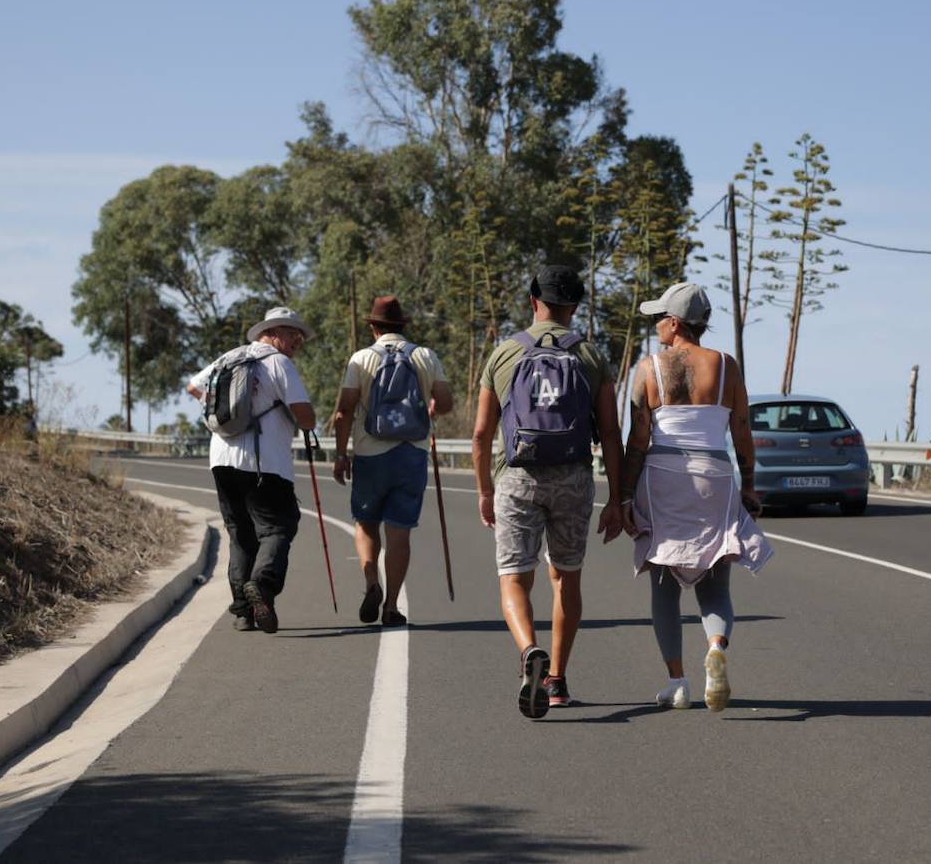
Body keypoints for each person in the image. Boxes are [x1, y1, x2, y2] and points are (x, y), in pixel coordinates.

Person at [471, 265, 625, 719]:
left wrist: (484, 490)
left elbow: (481, 435)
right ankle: (556, 680)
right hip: (574, 477)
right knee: (566, 577)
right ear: (573, 306)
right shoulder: (591, 356)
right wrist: (617, 499)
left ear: (533, 300)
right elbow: (612, 434)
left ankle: (527, 651)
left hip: (517, 477)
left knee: (515, 578)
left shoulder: (504, 354)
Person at [619, 282, 773, 712]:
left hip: (664, 476)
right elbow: (741, 430)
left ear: (674, 322)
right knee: (715, 582)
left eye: (658, 320)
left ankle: (678, 682)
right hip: (714, 475)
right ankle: (716, 647)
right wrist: (748, 485)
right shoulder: (726, 366)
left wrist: (626, 496)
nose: (655, 328)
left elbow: (638, 441)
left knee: (664, 585)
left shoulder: (649, 369)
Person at [186, 307, 317, 634]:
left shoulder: (227, 358)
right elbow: (305, 415)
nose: (297, 342)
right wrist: (300, 420)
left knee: (240, 534)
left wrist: (231, 415)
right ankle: (261, 584)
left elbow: (193, 387)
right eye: (292, 335)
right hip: (265, 462)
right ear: (273, 333)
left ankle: (244, 613)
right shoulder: (278, 362)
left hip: (221, 459)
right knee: (277, 528)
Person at [331, 295, 453, 627]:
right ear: (402, 326)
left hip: (371, 454)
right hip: (412, 454)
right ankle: (391, 606)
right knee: (400, 533)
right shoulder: (425, 356)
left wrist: (342, 455)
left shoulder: (362, 358)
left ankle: (372, 582)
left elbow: (343, 412)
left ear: (373, 326)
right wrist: (431, 409)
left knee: (366, 524)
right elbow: (445, 402)